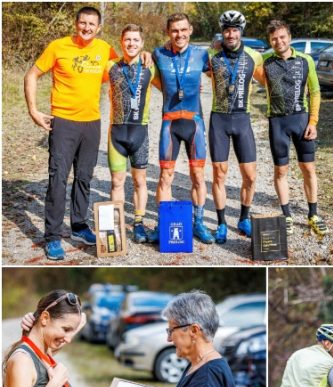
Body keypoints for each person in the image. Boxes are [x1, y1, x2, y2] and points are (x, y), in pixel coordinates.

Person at [25, 6, 119, 260]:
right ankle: (53, 236)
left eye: (92, 24)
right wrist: (33, 110)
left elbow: (123, 69)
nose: (87, 28)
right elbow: (32, 74)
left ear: (98, 28)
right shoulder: (58, 47)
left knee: (85, 178)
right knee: (58, 179)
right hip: (64, 122)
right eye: (83, 23)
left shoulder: (105, 49)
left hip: (92, 123)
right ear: (75, 23)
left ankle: (79, 226)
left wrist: (144, 55)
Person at [151, 13, 214, 244]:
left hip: (194, 123)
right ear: (169, 32)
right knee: (165, 175)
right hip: (170, 123)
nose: (179, 34)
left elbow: (219, 75)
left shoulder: (201, 54)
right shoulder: (158, 54)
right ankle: (163, 224)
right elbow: (146, 69)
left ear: (191, 29)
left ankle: (198, 222)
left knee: (198, 175)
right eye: (175, 30)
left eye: (183, 29)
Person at [204, 11, 265, 243]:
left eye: (235, 30)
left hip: (243, 119)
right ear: (222, 32)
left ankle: (243, 218)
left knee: (250, 176)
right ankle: (220, 223)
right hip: (219, 119)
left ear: (241, 31)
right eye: (227, 30)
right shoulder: (211, 55)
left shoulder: (253, 56)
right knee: (219, 174)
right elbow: (183, 54)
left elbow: (270, 77)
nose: (231, 34)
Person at [262, 19, 326, 236]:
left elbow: (315, 92)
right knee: (281, 170)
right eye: (274, 39)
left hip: (301, 120)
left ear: (289, 37)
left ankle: (313, 214)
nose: (278, 41)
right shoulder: (265, 60)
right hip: (277, 121)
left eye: (282, 37)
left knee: (308, 168)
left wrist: (313, 122)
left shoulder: (306, 60)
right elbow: (241, 55)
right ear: (270, 41)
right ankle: (286, 215)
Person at [105, 25, 157, 244]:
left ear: (142, 43)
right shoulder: (110, 66)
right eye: (128, 39)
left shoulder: (150, 67)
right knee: (117, 181)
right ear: (121, 41)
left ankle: (138, 224)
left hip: (139, 132)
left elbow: (170, 88)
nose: (131, 44)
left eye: (136, 40)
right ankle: (115, 229)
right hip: (116, 132)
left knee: (140, 181)